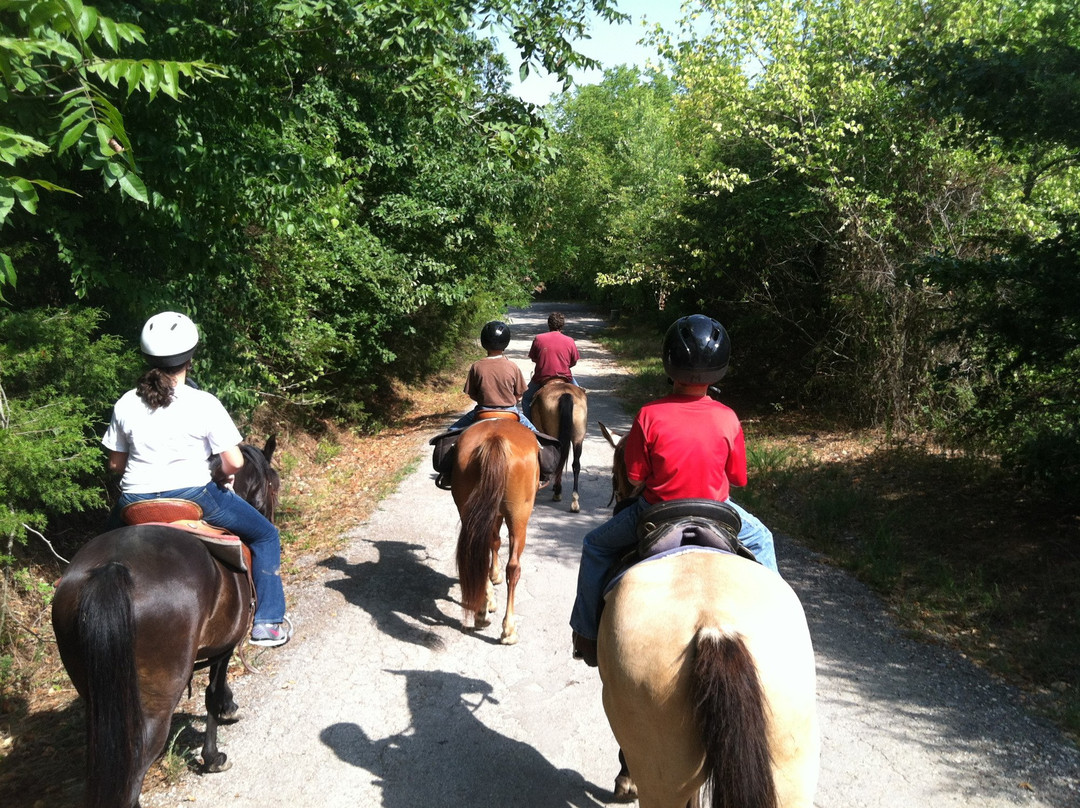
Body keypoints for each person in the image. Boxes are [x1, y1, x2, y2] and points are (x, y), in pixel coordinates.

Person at [569, 314, 778, 666]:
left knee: (594, 546)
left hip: (656, 512)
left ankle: (587, 636)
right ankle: (773, 627)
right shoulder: (728, 416)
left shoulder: (649, 414)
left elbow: (634, 476)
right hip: (718, 512)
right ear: (720, 368)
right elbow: (738, 479)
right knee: (764, 539)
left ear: (669, 363)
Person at [102, 311, 291, 648]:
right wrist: (218, 473)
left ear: (147, 359)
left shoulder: (125, 403)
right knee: (266, 536)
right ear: (190, 358)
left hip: (134, 503)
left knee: (100, 553)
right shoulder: (204, 403)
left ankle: (71, 580)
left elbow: (116, 465)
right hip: (194, 497)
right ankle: (268, 622)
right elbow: (233, 461)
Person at [449, 320, 539, 433]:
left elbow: (472, 394)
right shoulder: (512, 366)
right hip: (510, 412)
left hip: (483, 411)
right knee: (538, 436)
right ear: (506, 342)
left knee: (451, 431)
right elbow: (519, 394)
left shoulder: (476, 366)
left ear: (484, 342)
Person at [521, 311, 580, 419]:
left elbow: (534, 358)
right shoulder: (570, 340)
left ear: (549, 324)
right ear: (562, 325)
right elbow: (574, 362)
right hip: (565, 377)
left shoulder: (539, 338)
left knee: (526, 398)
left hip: (542, 377)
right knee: (581, 396)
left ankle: (529, 426)